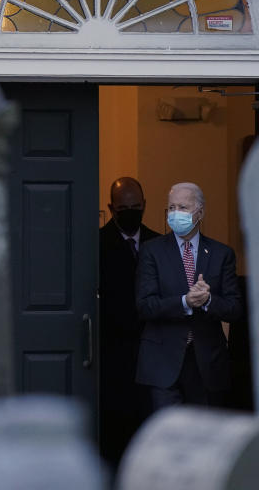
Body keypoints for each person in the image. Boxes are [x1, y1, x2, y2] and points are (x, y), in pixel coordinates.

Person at [135, 182, 242, 410]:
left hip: (206, 363)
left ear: (200, 212)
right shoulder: (151, 251)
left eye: (183, 207)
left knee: (203, 436)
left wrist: (208, 301)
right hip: (163, 362)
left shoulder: (221, 254)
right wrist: (185, 302)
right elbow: (145, 305)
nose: (175, 214)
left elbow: (234, 309)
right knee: (167, 436)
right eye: (171, 208)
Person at [98, 177, 160, 468]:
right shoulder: (96, 245)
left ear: (145, 205)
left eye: (137, 206)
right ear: (111, 209)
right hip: (114, 356)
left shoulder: (160, 244)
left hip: (153, 355)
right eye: (124, 208)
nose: (131, 212)